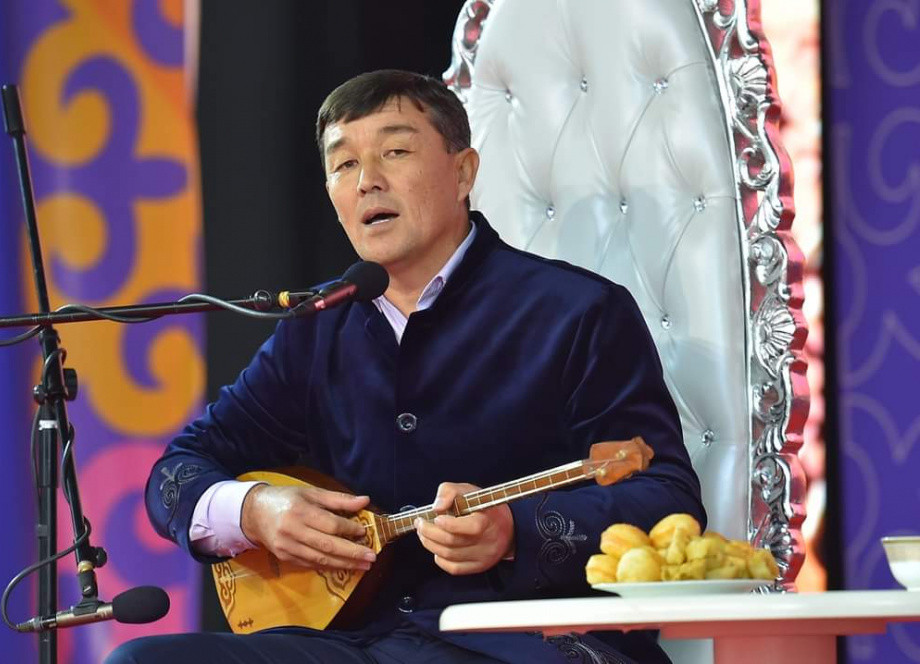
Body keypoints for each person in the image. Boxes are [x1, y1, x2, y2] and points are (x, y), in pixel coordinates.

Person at [107, 69, 705, 664]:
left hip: (519, 643)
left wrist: (512, 531)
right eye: (344, 164)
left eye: (395, 152)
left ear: (463, 173)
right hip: (354, 643)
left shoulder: (578, 312)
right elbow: (177, 472)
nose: (367, 180)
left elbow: (667, 499)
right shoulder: (315, 329)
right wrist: (255, 510)